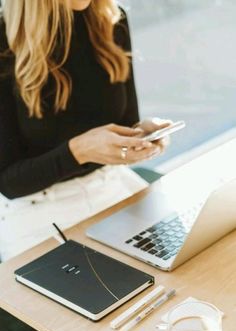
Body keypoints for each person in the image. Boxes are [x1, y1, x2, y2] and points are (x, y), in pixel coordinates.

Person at [0, 0, 170, 261]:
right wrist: (78, 151)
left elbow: (126, 123)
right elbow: (8, 183)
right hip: (35, 209)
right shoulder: (5, 39)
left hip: (111, 185)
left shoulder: (112, 18)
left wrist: (143, 134)